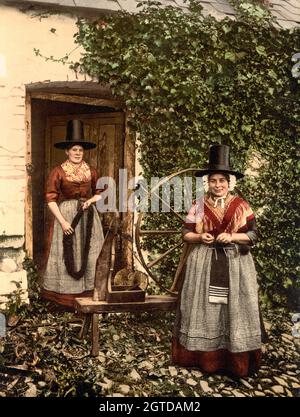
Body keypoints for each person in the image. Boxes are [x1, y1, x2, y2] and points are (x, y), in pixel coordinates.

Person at [172, 144, 264, 377]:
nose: (218, 185)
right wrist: (199, 236)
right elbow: (185, 233)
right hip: (203, 262)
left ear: (230, 182)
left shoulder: (241, 206)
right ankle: (204, 358)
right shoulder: (199, 205)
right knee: (205, 306)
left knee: (234, 307)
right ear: (208, 183)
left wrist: (232, 236)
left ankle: (235, 359)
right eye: (213, 180)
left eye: (222, 180)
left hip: (235, 264)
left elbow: (253, 235)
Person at [41, 119, 104, 311]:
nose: (77, 153)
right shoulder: (58, 172)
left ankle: (88, 295)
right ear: (67, 151)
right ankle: (66, 300)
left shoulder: (91, 171)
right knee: (68, 254)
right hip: (66, 215)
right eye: (73, 150)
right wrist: (63, 222)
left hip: (88, 217)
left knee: (92, 250)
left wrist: (92, 200)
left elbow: (100, 193)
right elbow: (51, 198)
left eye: (80, 150)